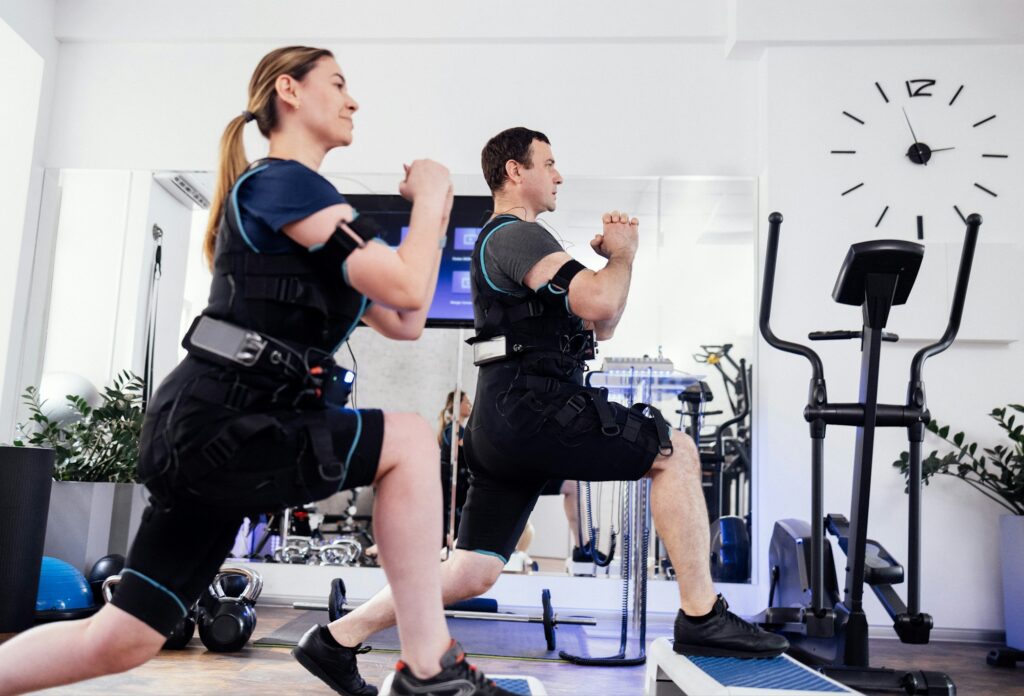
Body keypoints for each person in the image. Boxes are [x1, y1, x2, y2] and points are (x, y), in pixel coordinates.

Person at [0, 47, 515, 696]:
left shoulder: (312, 207)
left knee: (125, 637)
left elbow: (405, 319)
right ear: (288, 92)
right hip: (223, 420)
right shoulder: (281, 183)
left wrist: (432, 212)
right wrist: (435, 193)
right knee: (411, 439)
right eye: (337, 84)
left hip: (225, 428)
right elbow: (411, 289)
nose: (353, 100)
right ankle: (429, 665)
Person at [311, 127, 787, 689]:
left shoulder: (525, 243)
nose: (559, 174)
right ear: (516, 171)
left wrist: (617, 262)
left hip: (504, 420)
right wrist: (623, 258)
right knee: (675, 452)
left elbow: (601, 325)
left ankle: (333, 639)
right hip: (534, 408)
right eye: (550, 163)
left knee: (474, 569)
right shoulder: (515, 235)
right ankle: (703, 617)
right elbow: (600, 299)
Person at [439, 390, 472, 544]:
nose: (470, 405)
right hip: (452, 496)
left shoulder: (457, 430)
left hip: (457, 494)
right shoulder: (454, 430)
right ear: (458, 405)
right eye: (467, 402)